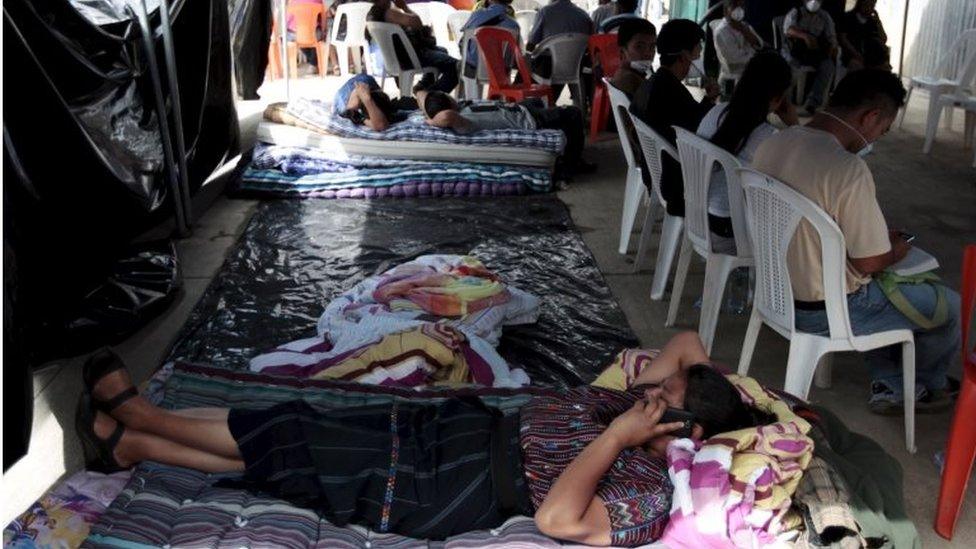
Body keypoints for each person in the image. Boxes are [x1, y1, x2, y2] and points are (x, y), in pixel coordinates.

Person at [76, 333, 765, 545]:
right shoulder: (642, 409)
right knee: (296, 428)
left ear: (683, 432)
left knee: (292, 433)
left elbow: (557, 517)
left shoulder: (646, 488)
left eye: (662, 399)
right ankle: (133, 446)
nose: (648, 390)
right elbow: (686, 344)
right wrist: (750, 403)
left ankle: (138, 418)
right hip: (460, 429)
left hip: (452, 485)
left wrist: (619, 435)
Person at [751, 69, 961, 415]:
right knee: (949, 306)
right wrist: (896, 249)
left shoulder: (774, 142)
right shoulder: (846, 168)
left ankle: (889, 380)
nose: (878, 136)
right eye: (883, 129)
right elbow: (869, 262)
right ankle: (922, 386)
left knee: (882, 288)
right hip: (825, 312)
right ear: (871, 117)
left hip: (776, 293)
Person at [696, 51, 797, 245]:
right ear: (778, 98)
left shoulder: (715, 112)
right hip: (731, 226)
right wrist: (795, 126)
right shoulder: (769, 137)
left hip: (702, 213)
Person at [630, 19, 720, 217]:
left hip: (656, 173)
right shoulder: (669, 91)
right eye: (698, 52)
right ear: (684, 55)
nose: (699, 58)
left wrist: (707, 100)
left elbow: (689, 119)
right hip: (676, 185)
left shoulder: (653, 84)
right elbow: (698, 132)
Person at [416, 89, 594, 179]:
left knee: (538, 100)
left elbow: (420, 94)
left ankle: (567, 144)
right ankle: (573, 164)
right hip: (530, 120)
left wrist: (428, 111)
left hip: (522, 109)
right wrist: (430, 120)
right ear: (447, 102)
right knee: (573, 113)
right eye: (447, 95)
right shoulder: (463, 121)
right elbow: (446, 117)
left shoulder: (461, 107)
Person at [367, 0, 460, 93]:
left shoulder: (372, 15)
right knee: (456, 66)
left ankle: (423, 85)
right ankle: (429, 94)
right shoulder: (389, 13)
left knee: (442, 51)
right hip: (411, 58)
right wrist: (405, 8)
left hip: (396, 59)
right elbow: (417, 23)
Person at [526, 0, 594, 100]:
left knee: (526, 63)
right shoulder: (584, 15)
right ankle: (579, 105)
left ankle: (530, 107)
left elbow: (531, 45)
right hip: (577, 67)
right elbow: (591, 44)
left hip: (549, 70)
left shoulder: (545, 12)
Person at [782, 0, 838, 115]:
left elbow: (831, 37)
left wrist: (832, 48)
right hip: (795, 52)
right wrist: (804, 36)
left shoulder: (824, 16)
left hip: (814, 53)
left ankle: (812, 103)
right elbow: (788, 29)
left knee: (828, 66)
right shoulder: (796, 13)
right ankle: (783, 102)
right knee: (790, 68)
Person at [459, 0, 520, 78]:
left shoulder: (476, 16)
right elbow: (513, 56)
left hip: (473, 72)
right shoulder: (514, 26)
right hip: (499, 76)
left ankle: (468, 90)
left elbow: (463, 43)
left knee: (460, 64)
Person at [331, 73, 415, 130]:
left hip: (366, 85)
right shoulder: (351, 105)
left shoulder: (379, 102)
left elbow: (380, 124)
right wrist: (366, 100)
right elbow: (380, 125)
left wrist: (367, 100)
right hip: (355, 90)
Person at [711, 0, 762, 88]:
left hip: (751, 72)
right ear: (726, 10)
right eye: (734, 5)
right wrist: (758, 58)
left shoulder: (745, 26)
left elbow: (759, 46)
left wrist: (745, 32)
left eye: (742, 5)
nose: (739, 9)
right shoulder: (721, 31)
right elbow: (735, 58)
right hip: (734, 79)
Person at [609, 18, 657, 98]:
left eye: (652, 47)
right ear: (622, 52)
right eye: (639, 47)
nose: (648, 53)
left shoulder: (624, 74)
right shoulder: (630, 80)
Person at [838, 0, 890, 70]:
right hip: (852, 54)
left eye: (872, 6)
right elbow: (843, 39)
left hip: (870, 56)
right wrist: (856, 54)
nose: (869, 8)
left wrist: (878, 21)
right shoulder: (849, 17)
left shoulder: (872, 21)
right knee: (857, 66)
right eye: (867, 5)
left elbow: (884, 39)